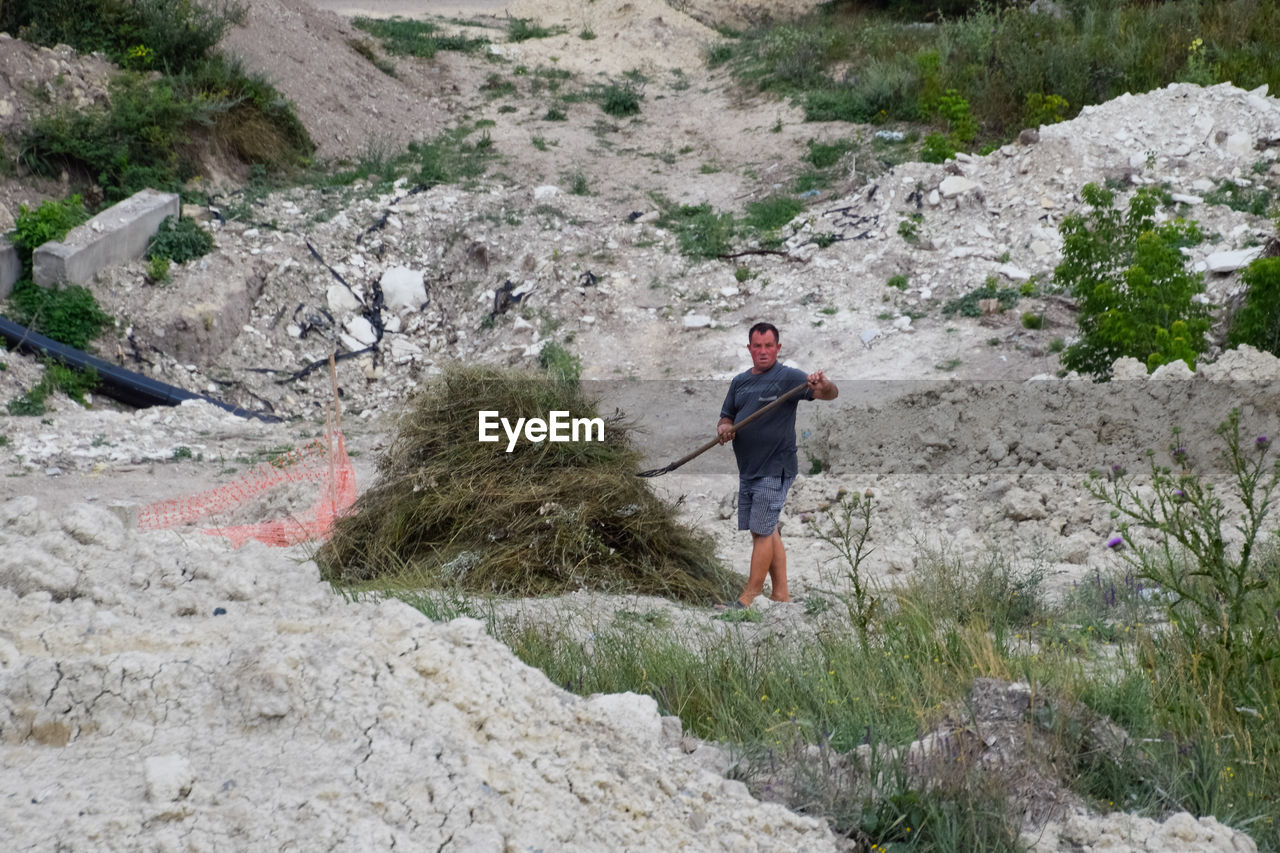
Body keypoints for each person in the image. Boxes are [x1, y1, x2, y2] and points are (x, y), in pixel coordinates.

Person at [716, 322, 838, 607]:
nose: (762, 352)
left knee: (761, 530)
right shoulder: (740, 382)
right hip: (748, 468)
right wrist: (724, 429)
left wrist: (824, 384)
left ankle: (748, 598)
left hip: (776, 467)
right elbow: (726, 417)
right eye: (757, 346)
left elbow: (829, 394)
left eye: (768, 346)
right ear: (749, 348)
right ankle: (781, 594)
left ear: (778, 348)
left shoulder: (788, 378)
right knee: (767, 529)